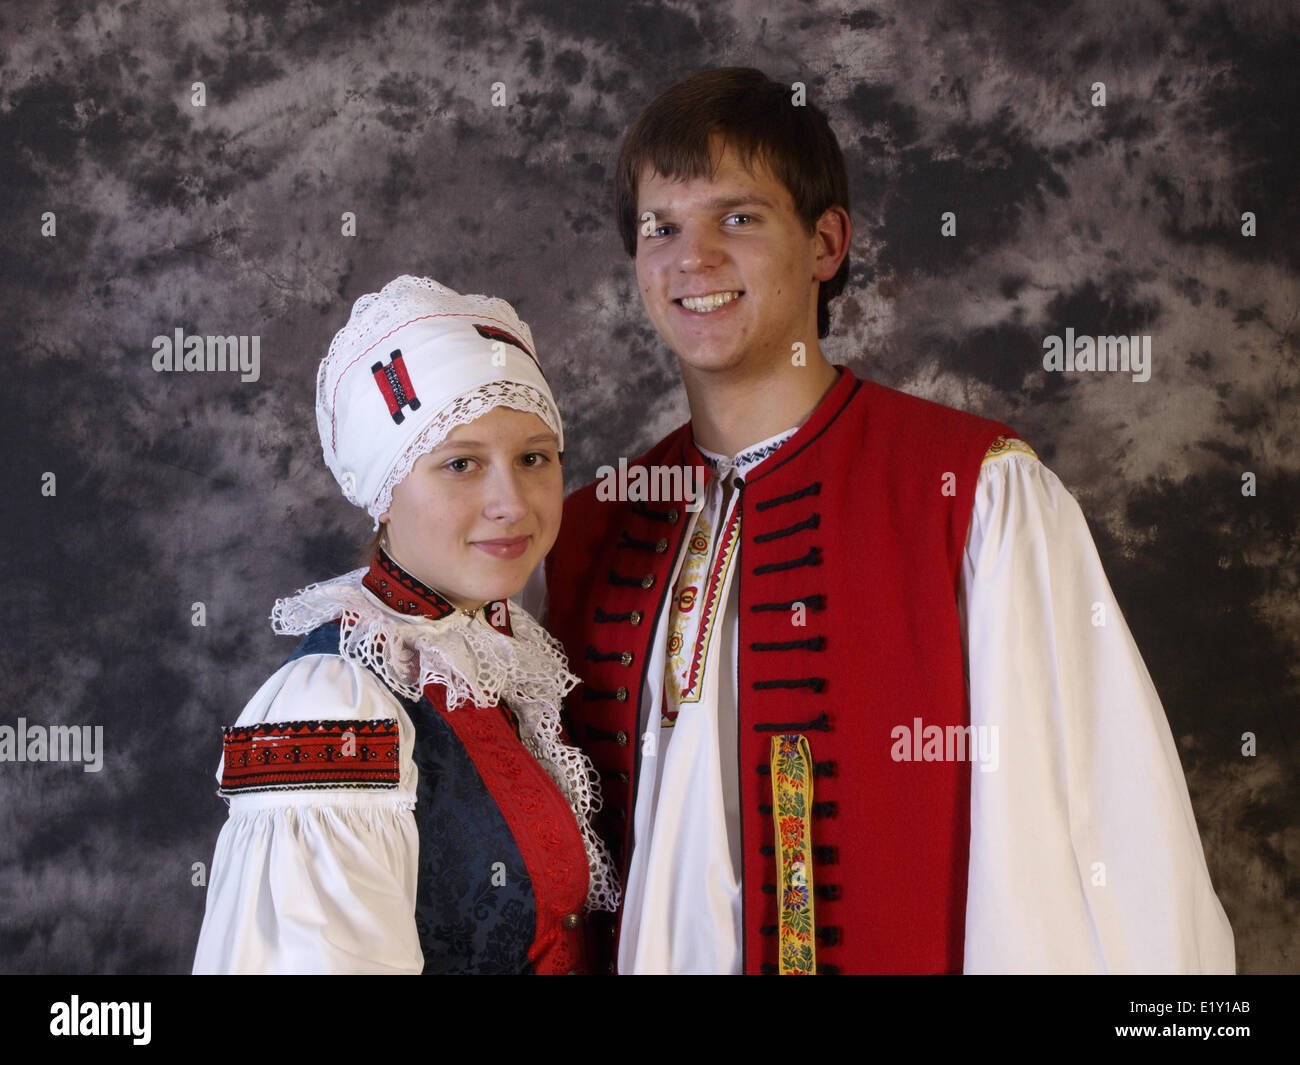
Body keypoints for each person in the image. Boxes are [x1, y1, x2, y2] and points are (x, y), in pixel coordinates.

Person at [541, 68, 1235, 974]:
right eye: (660, 227)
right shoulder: (588, 530)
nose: (692, 258)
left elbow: (1106, 843)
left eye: (738, 219)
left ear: (827, 243)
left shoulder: (975, 496)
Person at [193, 275, 619, 974]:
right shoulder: (334, 702)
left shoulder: (504, 663)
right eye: (461, 464)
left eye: (534, 458)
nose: (511, 502)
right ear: (385, 493)